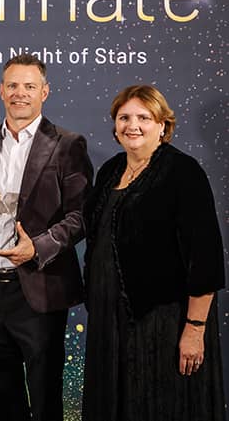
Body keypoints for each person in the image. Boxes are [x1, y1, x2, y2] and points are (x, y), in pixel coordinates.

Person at [0, 53, 93, 421]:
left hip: (39, 290)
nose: (20, 93)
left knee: (45, 402)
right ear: (1, 91)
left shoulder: (68, 144)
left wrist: (38, 247)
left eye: (29, 86)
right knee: (3, 403)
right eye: (13, 85)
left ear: (44, 92)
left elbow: (82, 216)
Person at [81, 85, 225, 421]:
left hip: (163, 325)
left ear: (163, 125)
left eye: (144, 118)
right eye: (124, 117)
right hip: (110, 323)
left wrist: (194, 329)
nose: (132, 125)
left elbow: (205, 258)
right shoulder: (111, 170)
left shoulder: (183, 172)